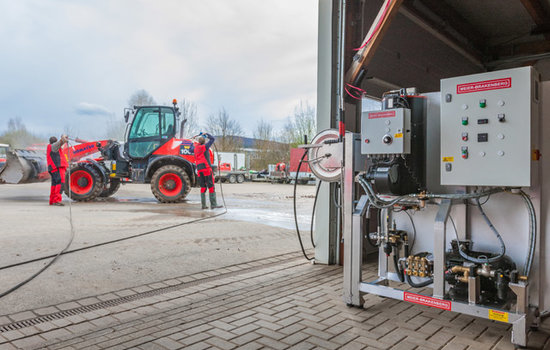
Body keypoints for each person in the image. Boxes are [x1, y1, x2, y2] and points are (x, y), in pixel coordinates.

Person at [191, 133, 223, 209]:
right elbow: (212, 139)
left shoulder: (195, 148)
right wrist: (207, 134)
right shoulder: (205, 147)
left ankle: (203, 205)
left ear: (198, 142)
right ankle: (213, 204)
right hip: (206, 169)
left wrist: (192, 142)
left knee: (203, 187)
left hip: (199, 169)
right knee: (211, 186)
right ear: (204, 141)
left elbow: (190, 149)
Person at [46, 134, 68, 206]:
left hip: (53, 168)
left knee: (54, 184)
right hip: (57, 167)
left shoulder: (50, 147)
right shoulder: (54, 146)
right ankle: (57, 200)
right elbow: (62, 141)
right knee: (60, 183)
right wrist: (64, 137)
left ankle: (52, 200)